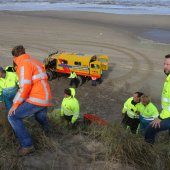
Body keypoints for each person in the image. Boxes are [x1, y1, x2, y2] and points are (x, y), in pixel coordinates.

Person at [8, 45, 52, 156]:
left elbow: (25, 86)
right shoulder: (33, 61)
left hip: (37, 97)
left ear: (15, 56)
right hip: (45, 97)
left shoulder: (23, 64)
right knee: (39, 116)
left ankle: (27, 145)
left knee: (13, 116)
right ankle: (48, 132)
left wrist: (15, 104)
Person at [145, 54, 170, 144]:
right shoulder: (168, 79)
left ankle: (148, 151)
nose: (165, 67)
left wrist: (160, 117)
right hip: (167, 113)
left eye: (168, 64)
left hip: (168, 114)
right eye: (164, 64)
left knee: (150, 129)